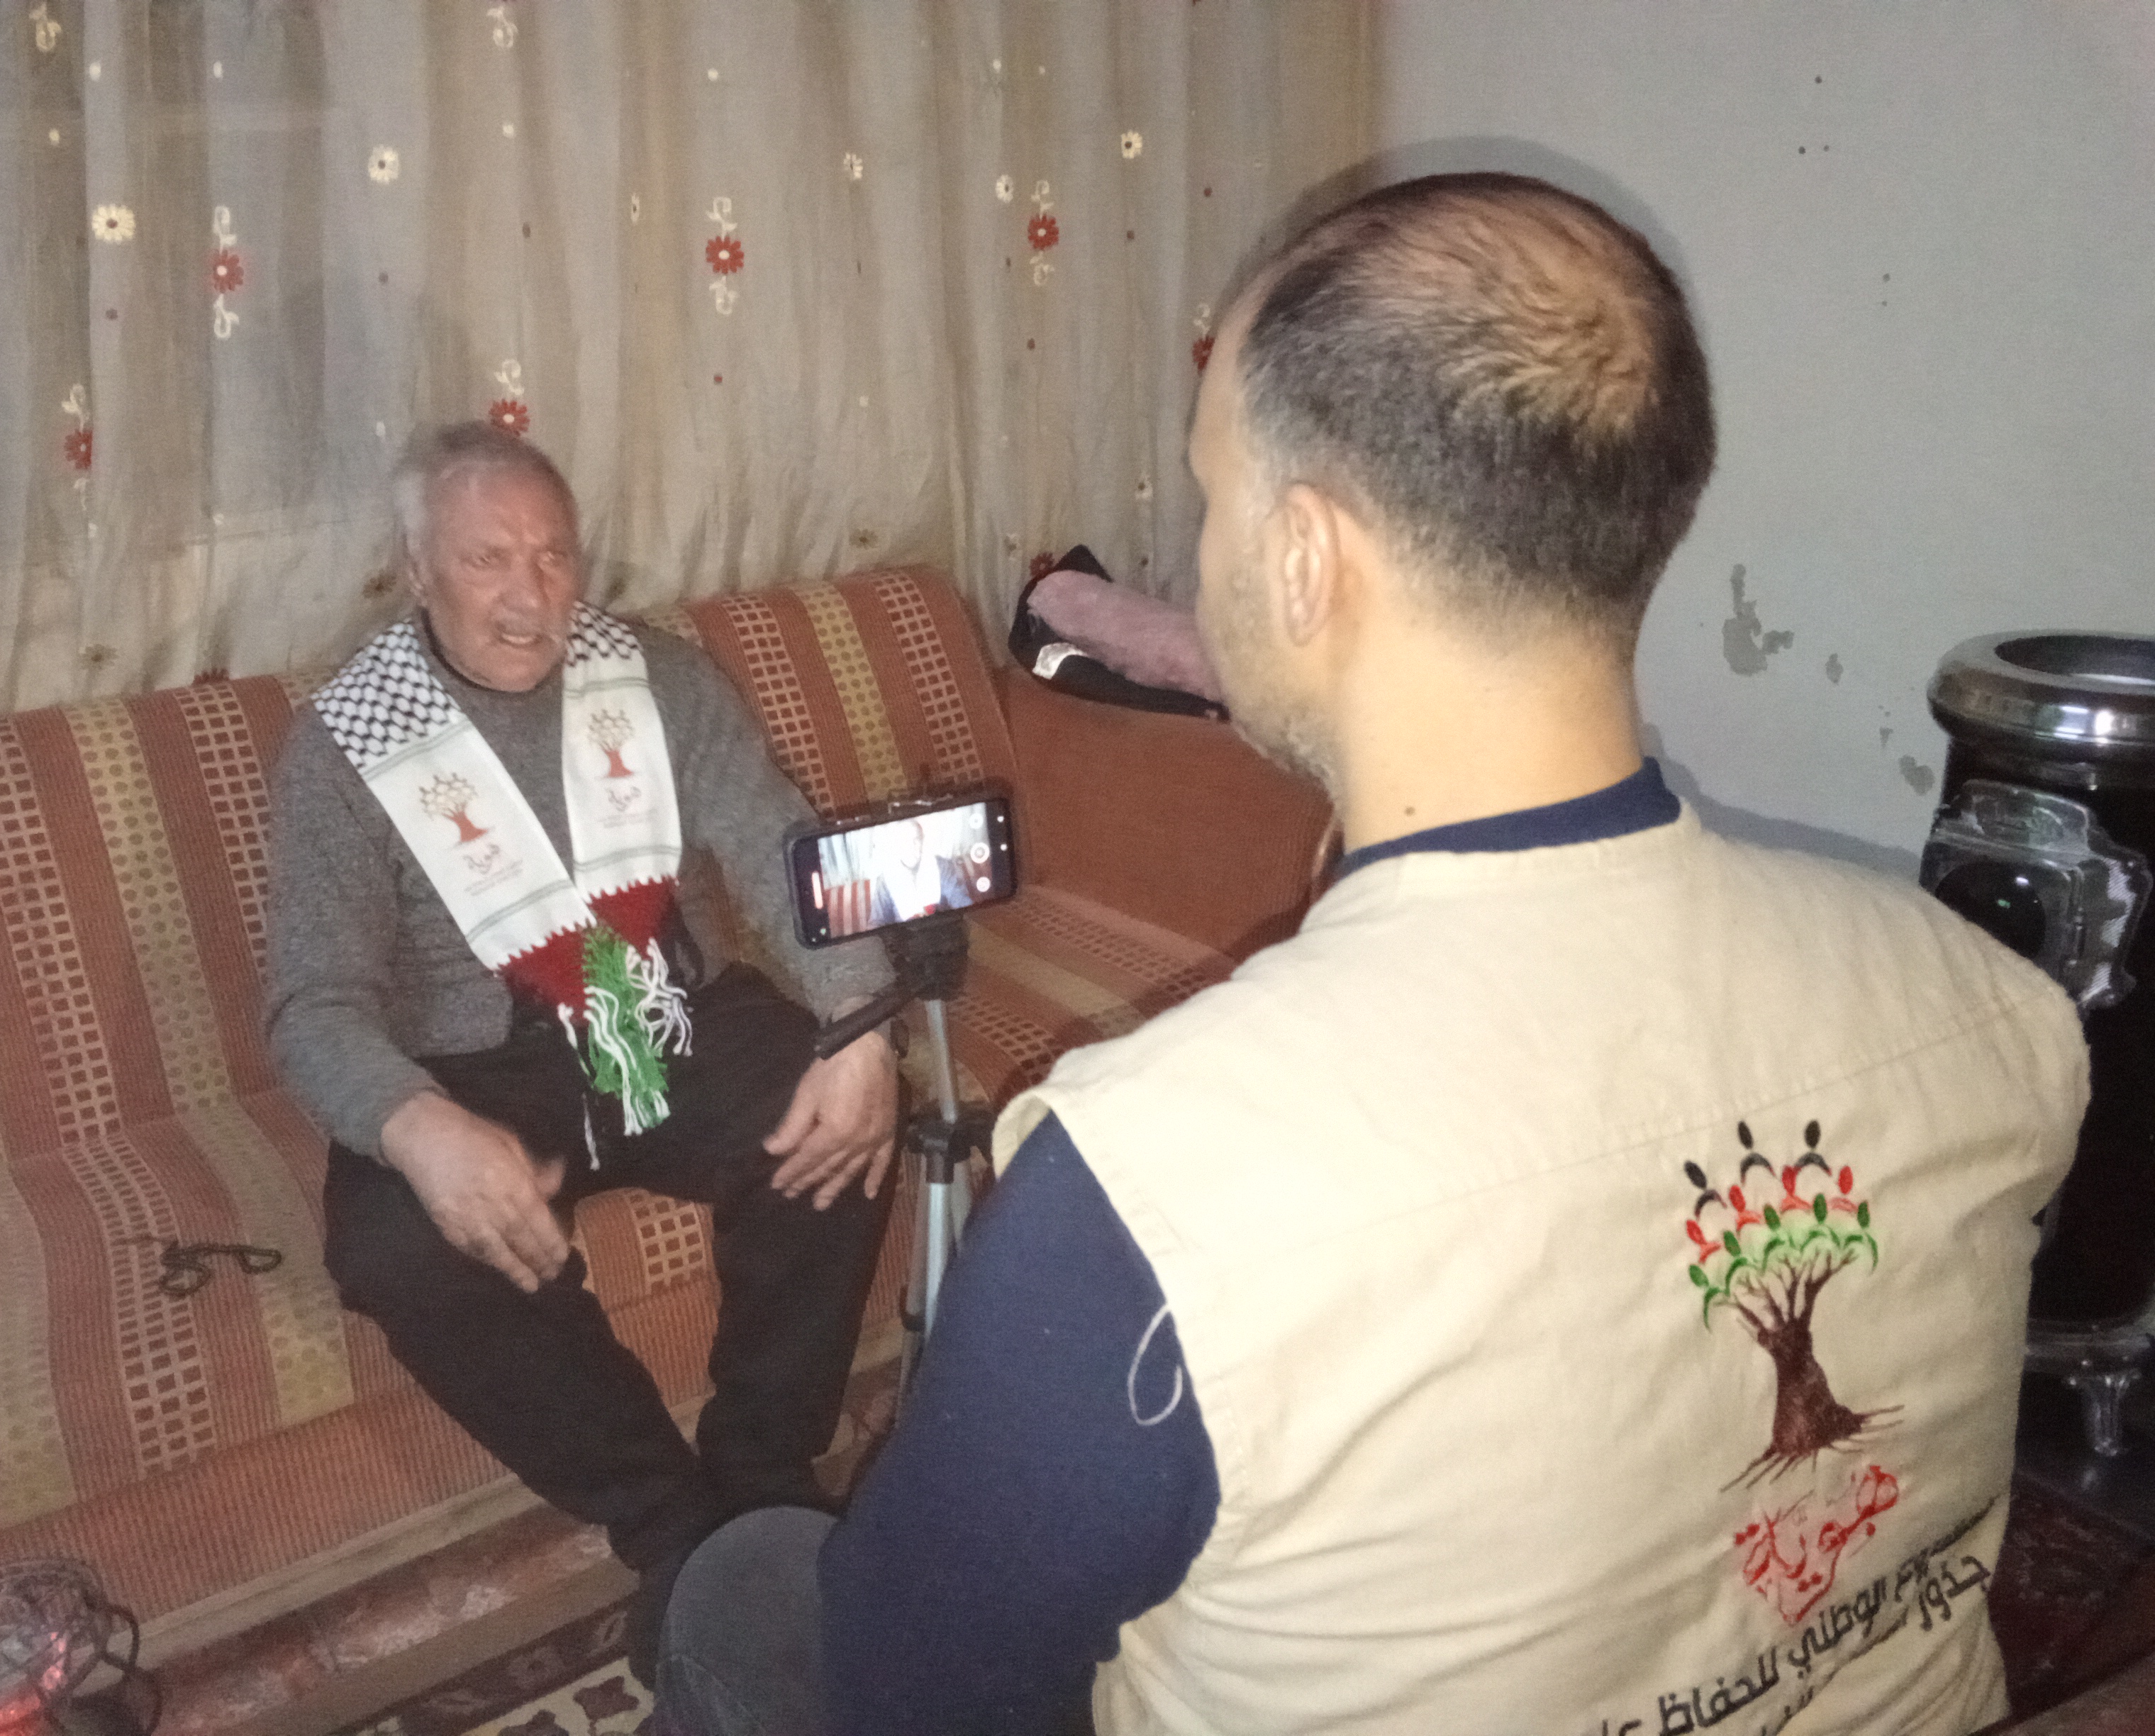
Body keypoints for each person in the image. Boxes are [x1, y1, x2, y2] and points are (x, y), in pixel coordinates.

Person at [655, 174, 2089, 1734]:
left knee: (752, 1588)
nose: (1198, 556)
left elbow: (908, 1694)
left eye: (1209, 500)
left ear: (1302, 558)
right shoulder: (1994, 1003)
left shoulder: (1149, 1187)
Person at [264, 422, 899, 1688]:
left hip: (666, 1007)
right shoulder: (344, 746)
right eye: (486, 559)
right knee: (396, 1247)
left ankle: (764, 1473)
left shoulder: (655, 677)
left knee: (837, 1116)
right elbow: (309, 1000)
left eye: (552, 555)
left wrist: (860, 1013)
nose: (529, 593)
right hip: (479, 1066)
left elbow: (778, 845)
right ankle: (676, 1528)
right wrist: (416, 1124)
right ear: (416, 569)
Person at [865, 818, 971, 928]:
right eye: (905, 841)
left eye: (916, 840)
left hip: (941, 929)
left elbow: (959, 899)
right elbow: (877, 921)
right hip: (906, 935)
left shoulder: (941, 866)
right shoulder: (885, 879)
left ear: (923, 840)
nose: (912, 847)